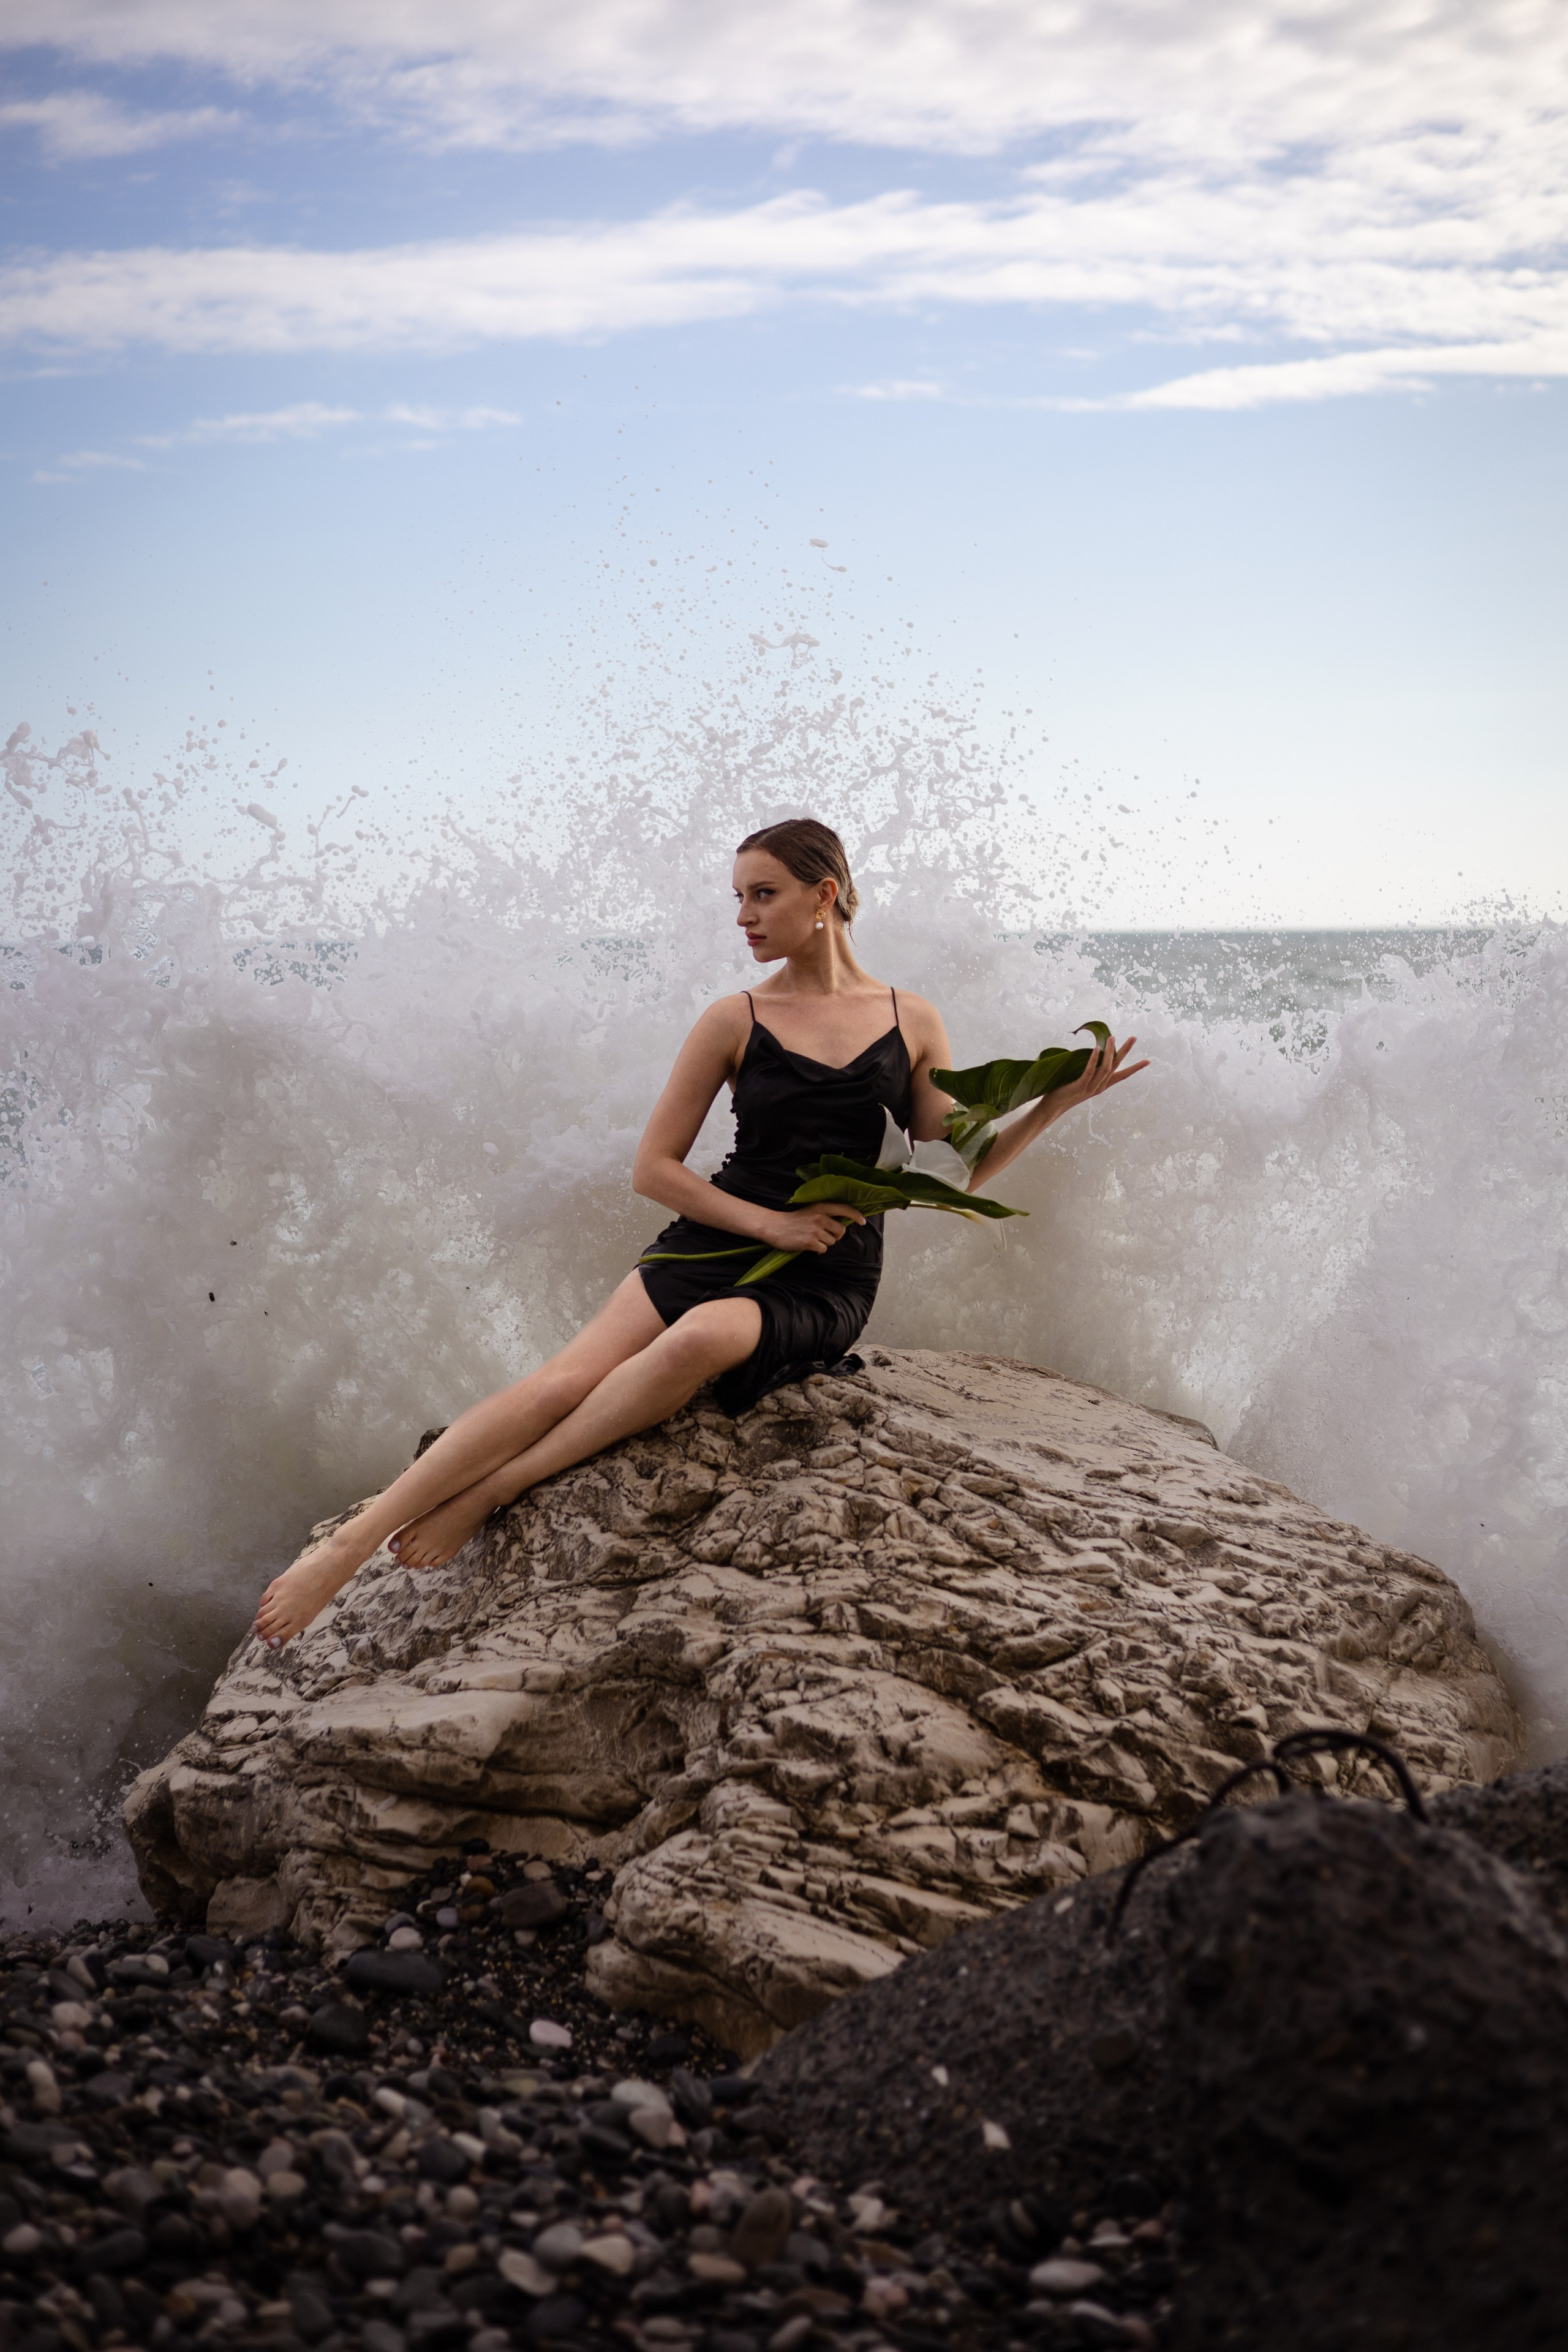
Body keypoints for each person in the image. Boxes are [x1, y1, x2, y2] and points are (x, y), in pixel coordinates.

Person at [252, 819, 1147, 1646]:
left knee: (700, 1340)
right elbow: (655, 1168)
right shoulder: (735, 1018)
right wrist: (769, 1223)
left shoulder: (911, 1018)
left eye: (762, 894)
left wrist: (1054, 1105)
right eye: (738, 896)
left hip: (828, 1270)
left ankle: (494, 1488)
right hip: (719, 1234)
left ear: (824, 895)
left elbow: (949, 1172)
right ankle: (348, 1548)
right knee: (563, 1377)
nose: (743, 916)